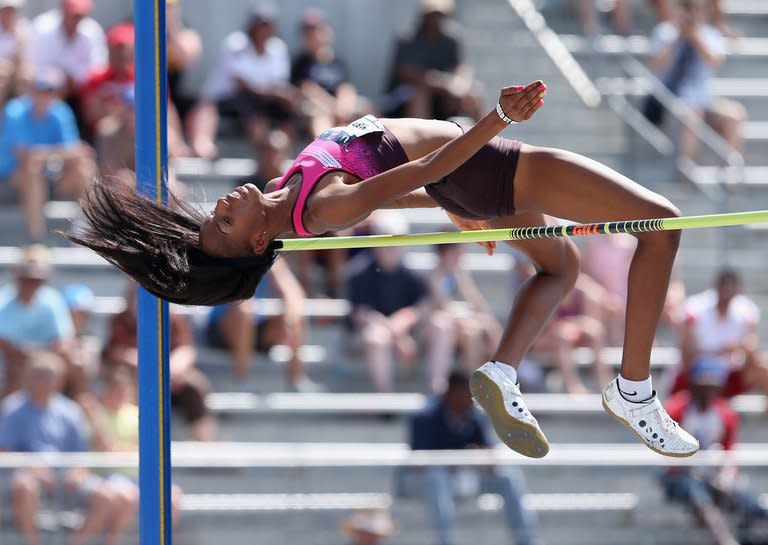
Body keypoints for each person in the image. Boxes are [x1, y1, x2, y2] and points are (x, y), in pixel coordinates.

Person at [66, 78, 699, 459]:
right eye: (227, 222)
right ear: (261, 241)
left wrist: (455, 210)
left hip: (467, 181)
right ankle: (634, 389)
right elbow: (416, 171)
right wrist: (499, 119)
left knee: (561, 266)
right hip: (491, 165)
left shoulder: (291, 187)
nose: (225, 203)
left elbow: (395, 183)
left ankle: (502, 370)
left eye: (214, 213)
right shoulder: (322, 206)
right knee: (661, 223)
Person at [399, 371, 538, 545]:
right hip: (425, 481)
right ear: (451, 392)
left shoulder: (475, 417)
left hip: (467, 477)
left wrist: (476, 456)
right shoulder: (426, 417)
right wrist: (452, 462)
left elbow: (489, 458)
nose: (469, 398)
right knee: (437, 479)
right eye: (464, 392)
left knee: (509, 477)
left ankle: (527, 541)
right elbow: (418, 463)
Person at [0, 352, 115, 545]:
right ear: (27, 377)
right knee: (25, 487)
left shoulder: (70, 411)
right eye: (38, 374)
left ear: (59, 380)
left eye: (48, 375)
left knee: (105, 496)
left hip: (64, 476)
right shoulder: (12, 408)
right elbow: (5, 450)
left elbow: (81, 454)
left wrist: (77, 473)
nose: (42, 381)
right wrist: (34, 470)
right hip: (25, 476)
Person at [661, 357, 768, 545]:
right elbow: (669, 455)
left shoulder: (725, 414)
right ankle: (725, 541)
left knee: (742, 492)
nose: (706, 391)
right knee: (697, 493)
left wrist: (726, 477)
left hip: (713, 472)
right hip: (680, 473)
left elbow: (728, 452)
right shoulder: (676, 408)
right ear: (693, 384)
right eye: (702, 385)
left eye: (711, 385)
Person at [78, 369, 183, 545]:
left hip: (138, 477)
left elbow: (151, 449)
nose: (119, 395)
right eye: (115, 390)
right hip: (106, 476)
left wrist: (120, 448)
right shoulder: (94, 414)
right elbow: (106, 447)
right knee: (127, 496)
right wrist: (95, 416)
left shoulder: (137, 414)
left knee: (171, 497)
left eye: (123, 390)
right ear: (105, 390)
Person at [102, 283, 217, 441]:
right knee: (131, 384)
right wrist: (148, 365)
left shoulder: (174, 319)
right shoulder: (120, 321)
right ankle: (140, 439)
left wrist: (172, 367)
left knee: (195, 386)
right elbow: (116, 353)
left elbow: (186, 349)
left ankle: (206, 443)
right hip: (138, 378)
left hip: (171, 379)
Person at [187, 2, 297, 159]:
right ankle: (262, 156)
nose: (263, 30)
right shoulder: (236, 44)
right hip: (227, 98)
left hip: (261, 99)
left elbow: (278, 85)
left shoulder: (278, 48)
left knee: (288, 110)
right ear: (251, 26)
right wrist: (276, 93)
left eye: (267, 25)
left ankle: (284, 155)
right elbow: (243, 86)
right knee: (251, 108)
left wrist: (286, 96)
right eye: (259, 25)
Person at [0, 67, 95, 242]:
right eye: (40, 88)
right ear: (31, 89)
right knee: (32, 170)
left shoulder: (61, 111)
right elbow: (24, 156)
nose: (44, 94)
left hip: (47, 177)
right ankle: (36, 238)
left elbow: (77, 152)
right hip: (9, 181)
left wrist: (43, 154)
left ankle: (85, 230)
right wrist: (57, 153)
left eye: (50, 90)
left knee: (84, 168)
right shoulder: (15, 110)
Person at [205, 257, 321, 392]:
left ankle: (296, 379)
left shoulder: (271, 258)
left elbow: (293, 294)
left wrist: (290, 320)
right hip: (221, 327)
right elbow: (237, 299)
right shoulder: (233, 253)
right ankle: (241, 380)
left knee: (296, 309)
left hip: (253, 324)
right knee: (244, 310)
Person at [346, 210, 430, 393]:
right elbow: (361, 315)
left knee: (442, 326)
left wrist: (404, 320)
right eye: (386, 239)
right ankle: (386, 399)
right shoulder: (359, 272)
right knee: (377, 338)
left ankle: (437, 392)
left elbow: (423, 307)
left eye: (398, 239)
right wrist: (397, 334)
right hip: (367, 336)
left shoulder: (411, 273)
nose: (392, 246)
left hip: (406, 335)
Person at [649, 0, 744, 160]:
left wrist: (695, 38)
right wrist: (678, 38)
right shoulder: (665, 32)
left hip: (704, 101)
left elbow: (715, 61)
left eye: (696, 8)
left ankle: (731, 173)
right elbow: (657, 65)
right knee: (691, 117)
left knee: (734, 115)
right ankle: (685, 173)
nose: (691, 13)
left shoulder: (709, 34)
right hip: (670, 101)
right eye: (686, 7)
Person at [669, 268, 768, 398]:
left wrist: (741, 348)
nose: (726, 294)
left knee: (763, 367)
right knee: (702, 374)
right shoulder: (696, 308)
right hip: (697, 374)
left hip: (729, 374)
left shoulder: (745, 310)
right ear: (716, 288)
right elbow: (686, 355)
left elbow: (752, 349)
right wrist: (720, 352)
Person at [0, 245, 82, 398]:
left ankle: (80, 408)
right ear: (17, 278)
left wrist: (40, 355)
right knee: (17, 370)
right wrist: (32, 356)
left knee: (77, 362)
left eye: (37, 281)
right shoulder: (3, 301)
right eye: (27, 279)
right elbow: (4, 345)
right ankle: (9, 416)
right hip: (14, 361)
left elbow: (65, 339)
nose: (32, 285)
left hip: (47, 356)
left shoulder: (52, 299)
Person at [383, 0, 483, 121]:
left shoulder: (451, 40)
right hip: (403, 98)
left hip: (441, 96)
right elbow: (409, 75)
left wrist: (460, 85)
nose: (435, 19)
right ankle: (421, 137)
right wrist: (444, 85)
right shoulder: (407, 39)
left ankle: (482, 138)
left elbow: (460, 67)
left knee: (474, 93)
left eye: (440, 14)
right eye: (432, 14)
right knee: (419, 93)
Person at [424, 243, 503, 394]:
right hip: (442, 328)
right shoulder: (435, 276)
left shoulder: (458, 274)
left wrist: (483, 319)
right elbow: (444, 305)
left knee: (474, 331)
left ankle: (480, 381)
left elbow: (477, 303)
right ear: (446, 253)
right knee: (469, 329)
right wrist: (473, 316)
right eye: (457, 252)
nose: (461, 256)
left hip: (462, 327)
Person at [27, 0, 107, 132]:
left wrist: (73, 80)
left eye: (80, 16)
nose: (76, 19)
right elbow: (34, 64)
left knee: (97, 95)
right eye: (73, 15)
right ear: (62, 11)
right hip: (46, 86)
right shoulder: (42, 27)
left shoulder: (92, 31)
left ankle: (86, 137)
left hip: (80, 90)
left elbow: (98, 67)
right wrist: (58, 80)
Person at [290, 7, 370, 138]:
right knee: (318, 115)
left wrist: (343, 107)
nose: (314, 36)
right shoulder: (300, 63)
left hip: (339, 106)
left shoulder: (337, 62)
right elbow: (307, 90)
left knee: (367, 109)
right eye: (309, 33)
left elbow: (346, 88)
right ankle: (328, 151)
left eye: (317, 31)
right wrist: (333, 107)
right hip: (317, 106)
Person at [0, 0, 29, 107]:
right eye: (6, 9)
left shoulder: (23, 29)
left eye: (12, 10)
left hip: (15, 73)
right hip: (3, 75)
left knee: (27, 78)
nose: (9, 13)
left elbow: (24, 60)